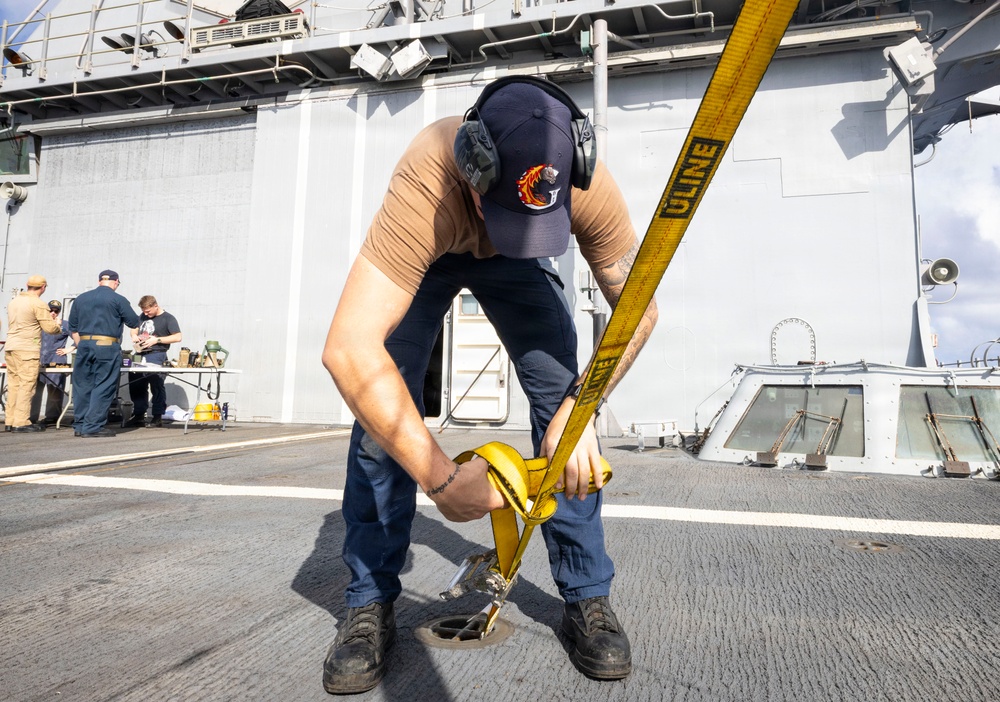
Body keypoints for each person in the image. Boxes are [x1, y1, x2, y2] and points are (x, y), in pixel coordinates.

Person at [321, 77, 658, 694]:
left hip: (517, 264)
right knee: (379, 418)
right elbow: (348, 349)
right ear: (474, 170)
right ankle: (369, 602)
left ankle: (586, 595)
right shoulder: (428, 184)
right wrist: (440, 479)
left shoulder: (585, 183)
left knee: (564, 402)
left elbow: (641, 310)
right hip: (432, 251)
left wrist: (580, 411)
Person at [68, 270, 140, 438]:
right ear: (116, 282)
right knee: (104, 385)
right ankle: (92, 426)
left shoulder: (81, 299)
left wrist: (84, 345)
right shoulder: (118, 299)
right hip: (107, 345)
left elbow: (73, 327)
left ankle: (80, 424)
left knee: (82, 385)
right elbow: (133, 321)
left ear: (99, 280)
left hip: (84, 344)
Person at [5, 275, 63, 433]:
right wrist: (57, 325)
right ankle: (22, 421)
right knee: (26, 385)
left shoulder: (14, 301)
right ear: (43, 287)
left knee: (14, 385)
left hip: (11, 346)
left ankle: (10, 419)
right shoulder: (38, 303)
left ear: (27, 285)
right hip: (27, 349)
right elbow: (50, 329)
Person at [125, 295, 182, 428]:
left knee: (156, 385)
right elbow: (134, 328)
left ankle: (157, 416)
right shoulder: (142, 316)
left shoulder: (168, 318)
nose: (146, 314)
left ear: (155, 306)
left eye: (148, 311)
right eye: (144, 311)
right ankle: (139, 415)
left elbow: (178, 337)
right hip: (140, 353)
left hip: (157, 354)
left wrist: (157, 340)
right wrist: (134, 335)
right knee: (136, 384)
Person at [29, 300, 73, 426]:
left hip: (56, 358)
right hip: (39, 358)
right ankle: (31, 417)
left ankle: (52, 417)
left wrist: (68, 349)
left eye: (56, 311)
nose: (53, 313)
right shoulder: (39, 323)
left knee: (54, 389)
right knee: (35, 389)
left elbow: (78, 337)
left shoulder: (64, 324)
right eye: (51, 310)